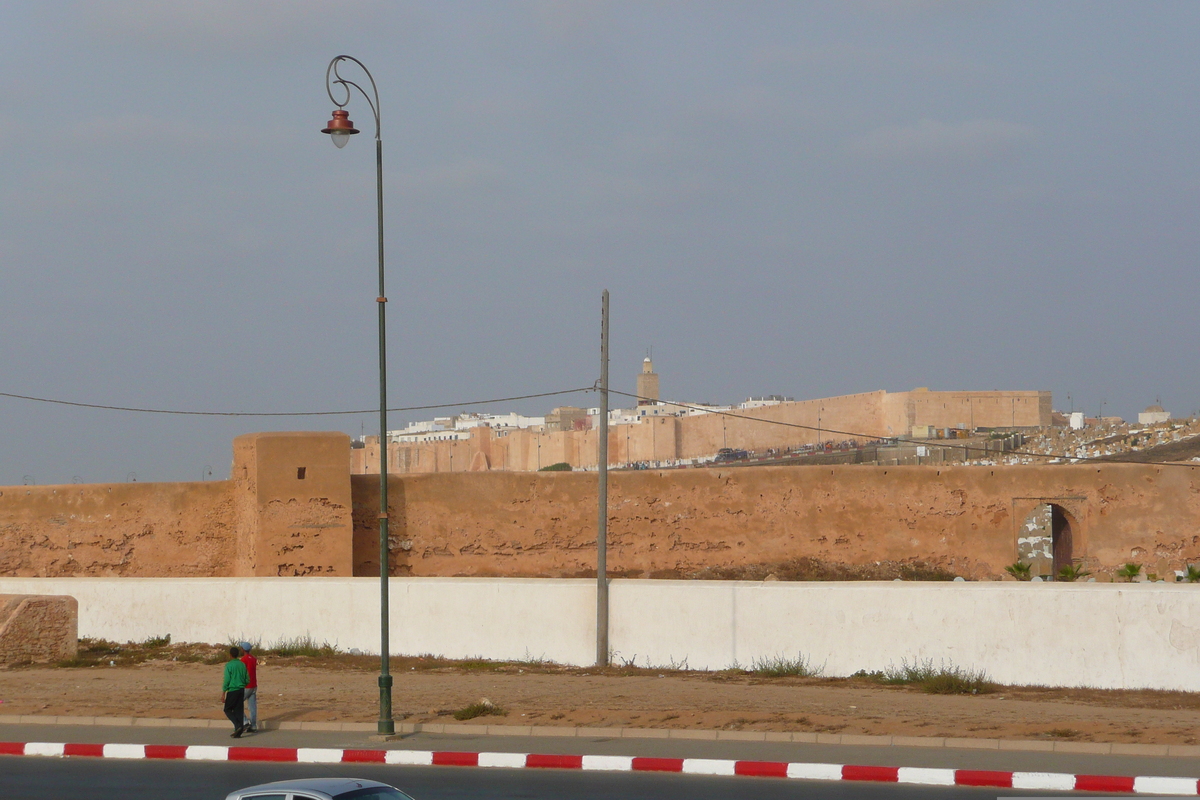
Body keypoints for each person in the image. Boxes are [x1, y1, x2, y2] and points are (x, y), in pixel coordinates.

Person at [221, 645, 249, 738]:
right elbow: (247, 678)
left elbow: (227, 680)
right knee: (238, 710)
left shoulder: (229, 665)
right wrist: (242, 684)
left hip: (233, 690)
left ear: (230, 655)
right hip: (241, 690)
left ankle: (237, 725)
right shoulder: (242, 664)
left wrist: (223, 692)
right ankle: (239, 730)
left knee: (227, 709)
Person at [239, 641, 258, 733]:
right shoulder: (253, 659)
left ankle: (245, 721)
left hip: (247, 685)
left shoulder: (243, 660)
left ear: (243, 649)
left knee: (236, 703)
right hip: (254, 684)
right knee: (252, 707)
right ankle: (253, 725)